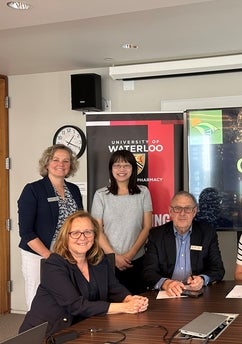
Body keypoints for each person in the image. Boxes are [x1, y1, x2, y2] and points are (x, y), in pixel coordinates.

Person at [18, 211, 149, 338]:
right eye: (75, 233)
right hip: (46, 334)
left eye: (88, 232)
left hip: (81, 330)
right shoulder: (54, 264)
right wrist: (124, 307)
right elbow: (76, 305)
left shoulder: (99, 260)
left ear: (94, 236)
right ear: (66, 236)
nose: (82, 237)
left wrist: (130, 299)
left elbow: (115, 288)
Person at [18, 144, 83, 310]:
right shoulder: (33, 189)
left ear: (71, 166)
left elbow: (79, 223)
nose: (60, 164)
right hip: (37, 255)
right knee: (36, 301)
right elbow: (26, 232)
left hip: (66, 254)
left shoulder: (74, 190)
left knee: (64, 297)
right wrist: (50, 256)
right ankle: (35, 335)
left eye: (66, 161)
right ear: (47, 163)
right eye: (56, 160)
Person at [91, 150, 153, 294]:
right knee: (112, 307)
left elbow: (147, 227)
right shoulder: (101, 195)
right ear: (111, 169)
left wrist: (129, 255)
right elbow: (97, 230)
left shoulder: (143, 192)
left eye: (126, 165)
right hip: (107, 261)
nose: (121, 169)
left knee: (138, 305)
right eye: (117, 165)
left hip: (136, 260)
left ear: (133, 169)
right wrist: (114, 257)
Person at [143, 191, 225, 296]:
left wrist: (202, 279)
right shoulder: (157, 235)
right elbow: (148, 272)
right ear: (170, 211)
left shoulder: (207, 233)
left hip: (197, 294)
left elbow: (218, 269)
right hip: (167, 294)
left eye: (187, 209)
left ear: (194, 211)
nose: (182, 213)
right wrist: (166, 283)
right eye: (177, 208)